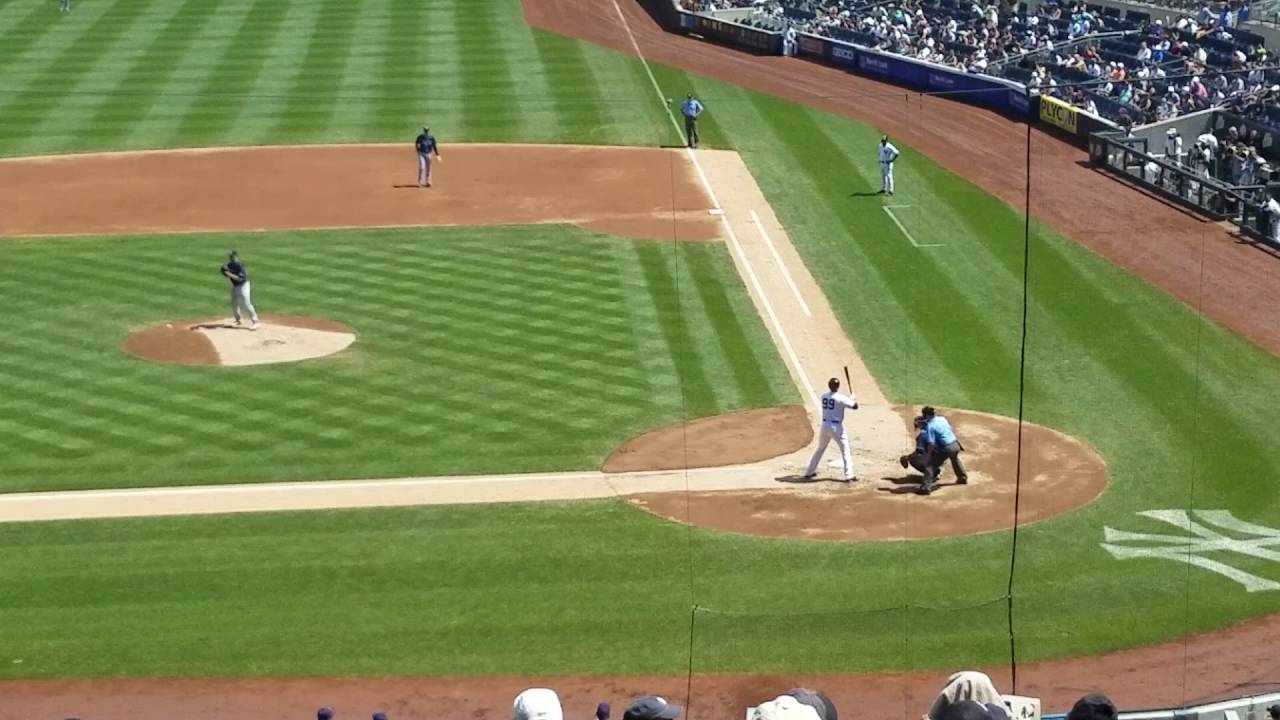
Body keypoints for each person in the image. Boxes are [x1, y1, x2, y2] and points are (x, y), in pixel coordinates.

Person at [803, 377, 859, 482]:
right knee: (845, 450)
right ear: (838, 386)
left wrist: (849, 399)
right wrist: (852, 399)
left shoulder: (824, 396)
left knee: (820, 449)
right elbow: (855, 406)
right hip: (837, 428)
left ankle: (809, 472)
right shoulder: (841, 398)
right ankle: (849, 475)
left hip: (825, 426)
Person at [920, 405, 968, 494]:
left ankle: (925, 488)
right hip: (956, 444)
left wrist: (929, 455)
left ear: (926, 415)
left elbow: (931, 443)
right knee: (955, 460)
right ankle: (962, 478)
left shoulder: (930, 426)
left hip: (947, 447)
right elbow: (949, 429)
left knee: (931, 466)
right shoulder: (942, 419)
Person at [220, 250, 259, 329]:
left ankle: (255, 321)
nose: (230, 257)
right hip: (235, 286)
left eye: (232, 256)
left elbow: (240, 279)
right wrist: (225, 273)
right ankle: (239, 320)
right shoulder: (230, 264)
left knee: (246, 303)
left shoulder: (239, 265)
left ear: (235, 256)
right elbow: (226, 272)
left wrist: (229, 274)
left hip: (243, 285)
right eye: (230, 256)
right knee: (233, 302)